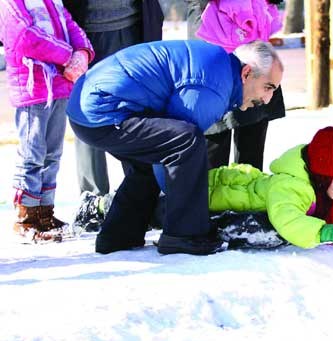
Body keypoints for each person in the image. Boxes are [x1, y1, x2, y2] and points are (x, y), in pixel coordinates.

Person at [66, 40, 284, 255]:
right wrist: (199, 205)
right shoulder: (214, 87)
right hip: (101, 111)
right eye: (268, 87)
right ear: (246, 73)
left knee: (149, 160)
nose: (267, 99)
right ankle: (183, 235)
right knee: (186, 140)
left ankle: (118, 236)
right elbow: (175, 154)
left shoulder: (219, 69)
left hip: (89, 107)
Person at [205, 126, 333, 249]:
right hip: (210, 198)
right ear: (324, 174)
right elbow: (289, 220)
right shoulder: (289, 186)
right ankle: (214, 228)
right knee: (274, 230)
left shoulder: (318, 183)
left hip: (243, 195)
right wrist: (327, 232)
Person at [0, 0, 94, 242]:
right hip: (33, 86)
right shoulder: (11, 4)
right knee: (32, 153)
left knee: (53, 153)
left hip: (60, 85)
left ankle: (45, 212)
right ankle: (26, 217)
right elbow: (24, 36)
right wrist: (66, 55)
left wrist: (82, 52)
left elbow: (71, 24)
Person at [62, 0, 164, 215]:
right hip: (86, 32)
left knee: (137, 110)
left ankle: (141, 192)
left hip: (135, 27)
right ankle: (92, 198)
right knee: (87, 110)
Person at [186, 0, 286, 171]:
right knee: (214, 134)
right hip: (211, 25)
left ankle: (246, 192)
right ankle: (210, 194)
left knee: (252, 128)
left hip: (252, 24)